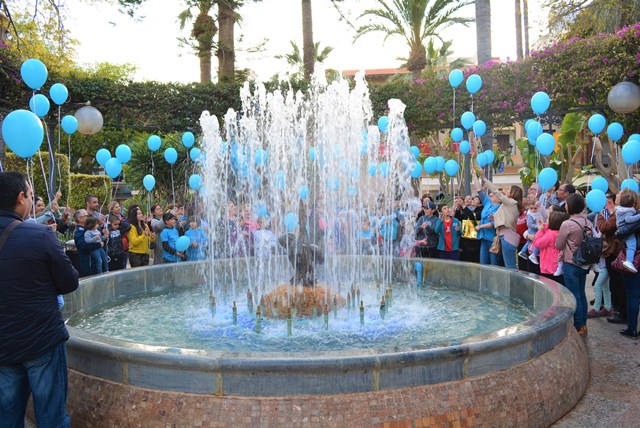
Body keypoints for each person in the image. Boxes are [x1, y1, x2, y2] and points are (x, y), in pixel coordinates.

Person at [0, 171, 79, 427]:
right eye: (32, 196)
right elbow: (69, 282)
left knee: (7, 417)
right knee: (52, 418)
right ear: (21, 198)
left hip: (4, 346)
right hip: (41, 340)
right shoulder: (40, 236)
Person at [555, 193, 592, 336]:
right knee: (581, 293)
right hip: (584, 262)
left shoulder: (567, 224)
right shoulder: (587, 221)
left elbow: (559, 245)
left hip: (570, 263)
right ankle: (583, 323)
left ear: (569, 206)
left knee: (574, 295)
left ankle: (578, 325)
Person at [482, 174, 523, 269]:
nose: (506, 191)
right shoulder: (512, 204)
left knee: (510, 267)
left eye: (509, 190)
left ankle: (512, 284)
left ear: (513, 193)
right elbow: (506, 216)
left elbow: (497, 192)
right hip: (505, 236)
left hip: (507, 237)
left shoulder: (512, 202)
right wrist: (495, 217)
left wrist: (485, 179)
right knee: (508, 265)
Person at [532, 210, 568, 284]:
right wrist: (545, 228)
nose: (546, 220)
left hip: (549, 267)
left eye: (548, 218)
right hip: (557, 265)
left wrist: (540, 231)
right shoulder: (559, 232)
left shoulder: (550, 235)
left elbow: (537, 243)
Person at [73, 208, 104, 277]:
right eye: (87, 216)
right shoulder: (79, 232)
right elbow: (83, 245)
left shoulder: (88, 229)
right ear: (80, 219)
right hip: (88, 263)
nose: (89, 217)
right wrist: (98, 245)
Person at [615, 191, 640, 273]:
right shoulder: (629, 211)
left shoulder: (619, 210)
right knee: (631, 246)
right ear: (633, 204)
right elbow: (628, 219)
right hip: (625, 230)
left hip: (620, 229)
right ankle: (629, 261)